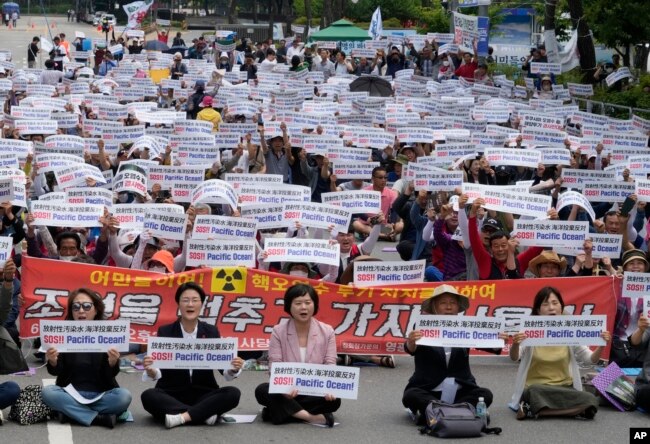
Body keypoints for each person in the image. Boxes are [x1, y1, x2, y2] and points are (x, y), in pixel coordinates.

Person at [141, 282, 243, 429]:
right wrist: (151, 370)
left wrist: (233, 368)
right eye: (185, 300)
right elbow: (159, 369)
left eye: (195, 300)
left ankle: (182, 417)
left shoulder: (211, 332)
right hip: (172, 393)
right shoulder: (165, 331)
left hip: (204, 393)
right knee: (148, 396)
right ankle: (203, 414)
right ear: (178, 304)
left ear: (201, 304)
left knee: (233, 393)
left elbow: (222, 368)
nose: (190, 304)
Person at [402, 284, 504, 424]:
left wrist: (499, 338)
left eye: (452, 303)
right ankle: (459, 411)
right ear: (434, 307)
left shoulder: (466, 327)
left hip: (460, 389)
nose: (448, 307)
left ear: (458, 307)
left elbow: (490, 344)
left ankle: (437, 412)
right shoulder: (422, 326)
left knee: (485, 395)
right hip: (430, 388)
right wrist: (411, 342)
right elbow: (410, 349)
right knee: (411, 396)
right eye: (443, 303)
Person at [508, 286, 610, 420]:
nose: (551, 308)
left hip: (564, 388)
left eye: (555, 303)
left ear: (561, 308)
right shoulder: (529, 331)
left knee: (590, 399)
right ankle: (573, 411)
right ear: (538, 311)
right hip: (537, 388)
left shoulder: (570, 331)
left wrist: (601, 345)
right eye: (545, 304)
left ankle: (534, 411)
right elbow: (515, 357)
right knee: (535, 392)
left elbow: (589, 359)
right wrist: (515, 344)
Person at [41, 288, 132, 428]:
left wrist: (113, 363)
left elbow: (111, 374)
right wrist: (52, 361)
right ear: (71, 311)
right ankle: (98, 418)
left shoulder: (108, 333)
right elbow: (55, 372)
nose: (81, 310)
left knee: (124, 396)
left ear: (96, 310)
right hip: (70, 394)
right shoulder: (63, 332)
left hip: (101, 394)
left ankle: (71, 413)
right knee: (48, 393)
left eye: (87, 306)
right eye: (76, 307)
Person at [255, 284, 340, 426]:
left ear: (315, 305)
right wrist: (284, 390)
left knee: (335, 401)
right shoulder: (278, 331)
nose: (303, 307)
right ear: (289, 306)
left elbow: (330, 362)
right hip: (288, 389)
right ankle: (310, 417)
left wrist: (329, 388)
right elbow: (275, 364)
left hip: (314, 389)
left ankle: (276, 412)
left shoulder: (327, 331)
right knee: (262, 390)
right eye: (298, 303)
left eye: (308, 303)